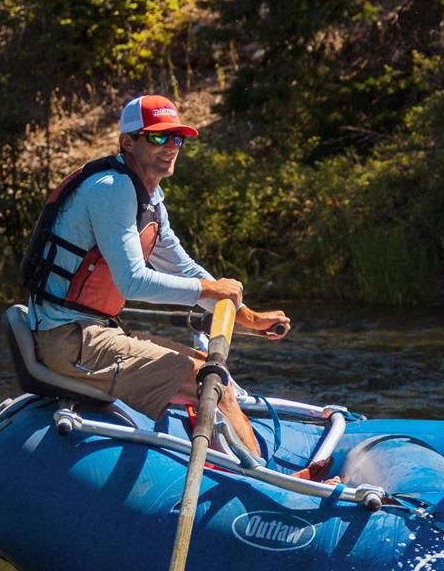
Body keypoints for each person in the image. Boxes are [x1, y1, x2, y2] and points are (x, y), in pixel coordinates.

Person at [21, 94, 290, 452]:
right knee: (211, 382)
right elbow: (133, 281)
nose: (171, 147)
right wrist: (211, 289)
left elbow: (182, 267)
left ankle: (231, 465)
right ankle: (261, 482)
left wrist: (248, 317)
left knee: (208, 369)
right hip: (71, 342)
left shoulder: (149, 196)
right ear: (128, 142)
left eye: (177, 138)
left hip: (93, 333)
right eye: (158, 137)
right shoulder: (112, 190)